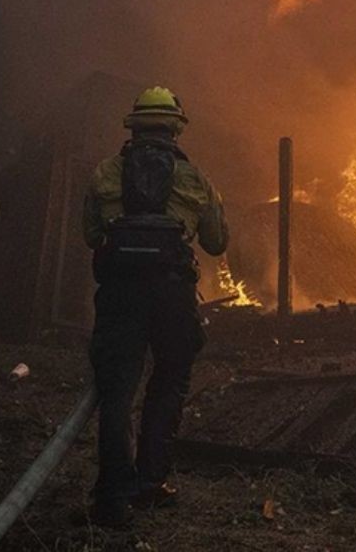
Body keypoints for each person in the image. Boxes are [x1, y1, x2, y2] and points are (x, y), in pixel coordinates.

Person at [82, 86, 228, 527]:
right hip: (171, 294)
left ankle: (111, 496)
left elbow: (91, 237)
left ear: (133, 125)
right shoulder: (195, 179)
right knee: (169, 380)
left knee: (116, 391)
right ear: (176, 128)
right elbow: (217, 243)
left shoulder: (105, 174)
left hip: (120, 294)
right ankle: (150, 483)